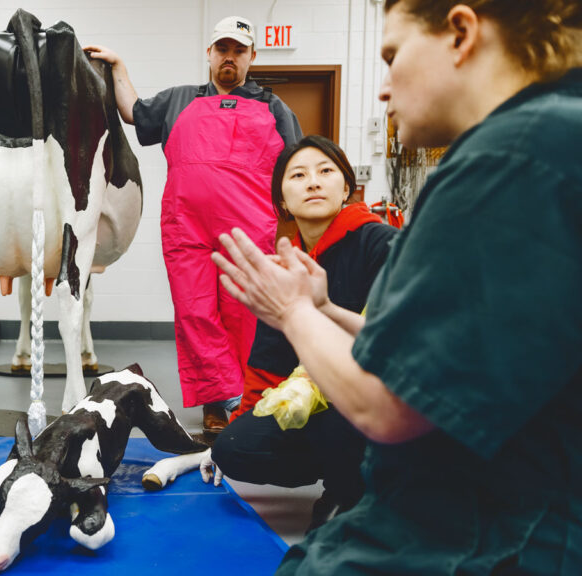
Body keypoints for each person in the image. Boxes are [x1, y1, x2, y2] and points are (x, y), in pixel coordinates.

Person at [212, 1, 581, 573]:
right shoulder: (544, 138)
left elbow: (388, 407)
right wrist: (323, 306)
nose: (382, 90)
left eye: (392, 56)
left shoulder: (507, 160)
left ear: (460, 33)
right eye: (297, 176)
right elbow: (437, 348)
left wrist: (293, 312)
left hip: (486, 536)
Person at [85, 16, 302, 434]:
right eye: (222, 49)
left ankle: (246, 398)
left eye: (239, 51)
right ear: (210, 54)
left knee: (244, 317)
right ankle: (217, 403)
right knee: (195, 314)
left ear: (251, 57)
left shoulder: (275, 108)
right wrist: (118, 68)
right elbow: (133, 113)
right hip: (188, 230)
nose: (230, 58)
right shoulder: (178, 100)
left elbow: (294, 166)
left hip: (249, 235)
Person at [211, 135, 397, 533]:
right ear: (282, 200)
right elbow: (270, 359)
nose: (313, 182)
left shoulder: (380, 243)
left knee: (342, 412)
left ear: (346, 187)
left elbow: (397, 340)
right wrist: (239, 427)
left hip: (381, 399)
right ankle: (347, 474)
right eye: (298, 175)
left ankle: (353, 491)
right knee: (233, 448)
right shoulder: (287, 265)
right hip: (319, 407)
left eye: (326, 172)